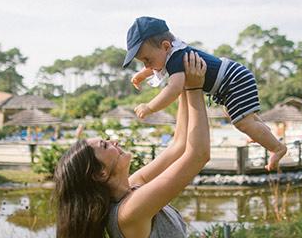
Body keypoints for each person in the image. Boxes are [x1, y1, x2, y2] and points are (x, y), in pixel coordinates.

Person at [54, 52, 211, 238]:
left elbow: (178, 146)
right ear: (100, 174)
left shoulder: (133, 189)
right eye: (105, 145)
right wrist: (195, 89)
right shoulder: (130, 212)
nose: (113, 140)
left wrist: (185, 84)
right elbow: (197, 155)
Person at [123, 16, 287, 171]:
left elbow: (174, 89)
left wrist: (150, 107)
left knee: (241, 123)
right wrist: (142, 75)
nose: (147, 66)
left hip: (233, 80)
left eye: (147, 60)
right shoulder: (173, 54)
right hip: (232, 77)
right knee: (239, 117)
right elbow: (157, 66)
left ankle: (277, 148)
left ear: (166, 46)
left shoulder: (176, 59)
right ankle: (259, 133)